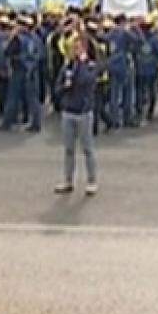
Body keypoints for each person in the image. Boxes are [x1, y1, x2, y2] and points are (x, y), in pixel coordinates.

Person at [54, 36, 99, 196]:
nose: (75, 51)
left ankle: (92, 181)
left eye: (78, 48)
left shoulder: (90, 66)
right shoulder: (67, 67)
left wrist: (81, 64)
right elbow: (57, 87)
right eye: (74, 48)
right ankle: (68, 180)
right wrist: (64, 90)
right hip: (69, 111)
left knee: (87, 149)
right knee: (68, 149)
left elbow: (86, 81)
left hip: (83, 112)